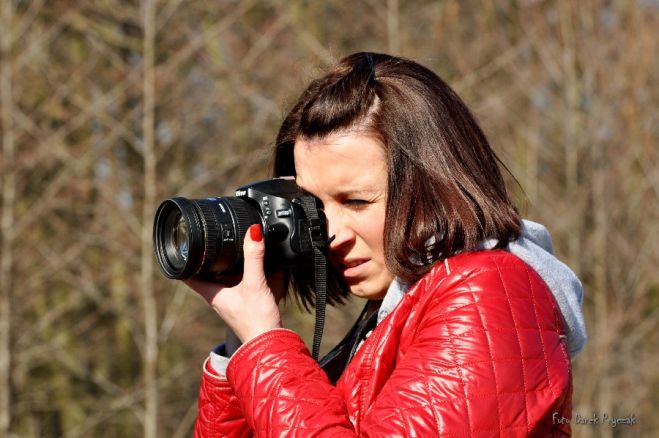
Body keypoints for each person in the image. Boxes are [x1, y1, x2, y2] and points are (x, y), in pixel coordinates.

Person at [186, 52, 587, 437]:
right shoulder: (391, 314)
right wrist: (241, 343)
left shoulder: (488, 293)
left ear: (435, 185)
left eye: (356, 201)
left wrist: (264, 344)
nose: (329, 233)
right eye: (313, 207)